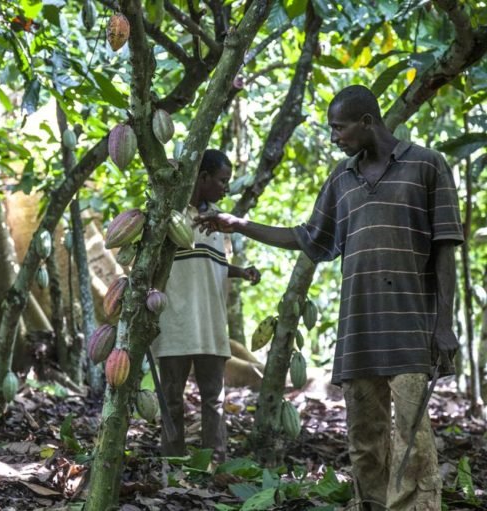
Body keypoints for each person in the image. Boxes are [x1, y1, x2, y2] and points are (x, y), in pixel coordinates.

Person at [195, 85, 462, 510]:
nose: (335, 137)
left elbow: (446, 246)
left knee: (413, 442)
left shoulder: (428, 166)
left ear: (367, 122)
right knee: (364, 442)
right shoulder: (342, 178)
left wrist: (444, 323)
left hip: (411, 330)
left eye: (339, 127)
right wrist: (239, 224)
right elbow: (308, 238)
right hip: (358, 331)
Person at [151, 149, 261, 463]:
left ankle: (216, 461)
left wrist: (242, 272)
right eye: (222, 180)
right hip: (175, 323)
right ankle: (173, 460)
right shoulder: (169, 215)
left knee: (214, 399)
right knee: (171, 397)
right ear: (203, 178)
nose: (227, 188)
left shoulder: (218, 221)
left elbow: (211, 266)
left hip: (211, 325)